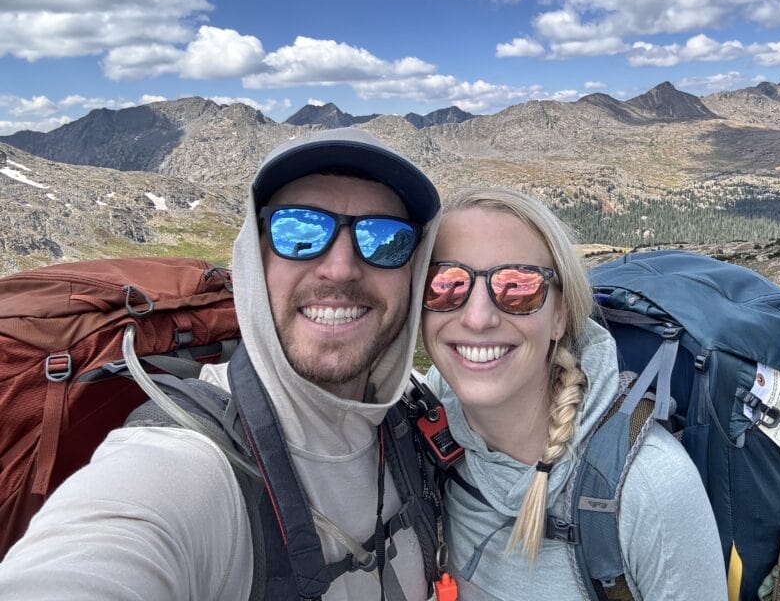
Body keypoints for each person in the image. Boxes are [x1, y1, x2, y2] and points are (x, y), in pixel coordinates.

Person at [0, 128, 443, 600]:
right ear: (254, 259)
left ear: (413, 270)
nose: (341, 268)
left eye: (385, 239)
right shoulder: (184, 465)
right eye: (298, 231)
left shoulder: (417, 411)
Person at [421, 187, 728, 600]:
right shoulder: (415, 429)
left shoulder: (651, 489)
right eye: (446, 284)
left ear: (560, 316)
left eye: (518, 287)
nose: (477, 318)